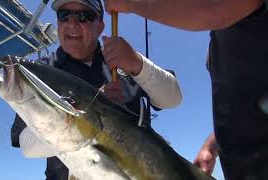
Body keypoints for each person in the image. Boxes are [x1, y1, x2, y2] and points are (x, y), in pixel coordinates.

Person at [11, 0, 182, 179]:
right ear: (58, 22)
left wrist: (137, 63)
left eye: (84, 16)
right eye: (64, 15)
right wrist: (93, 106)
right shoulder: (40, 71)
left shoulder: (123, 58)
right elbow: (27, 146)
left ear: (100, 27)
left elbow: (173, 99)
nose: (72, 23)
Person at [103, 0, 268, 179]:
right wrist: (212, 145)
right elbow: (250, 105)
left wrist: (130, 3)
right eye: (65, 16)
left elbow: (212, 10)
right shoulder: (220, 44)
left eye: (85, 16)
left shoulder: (226, 12)